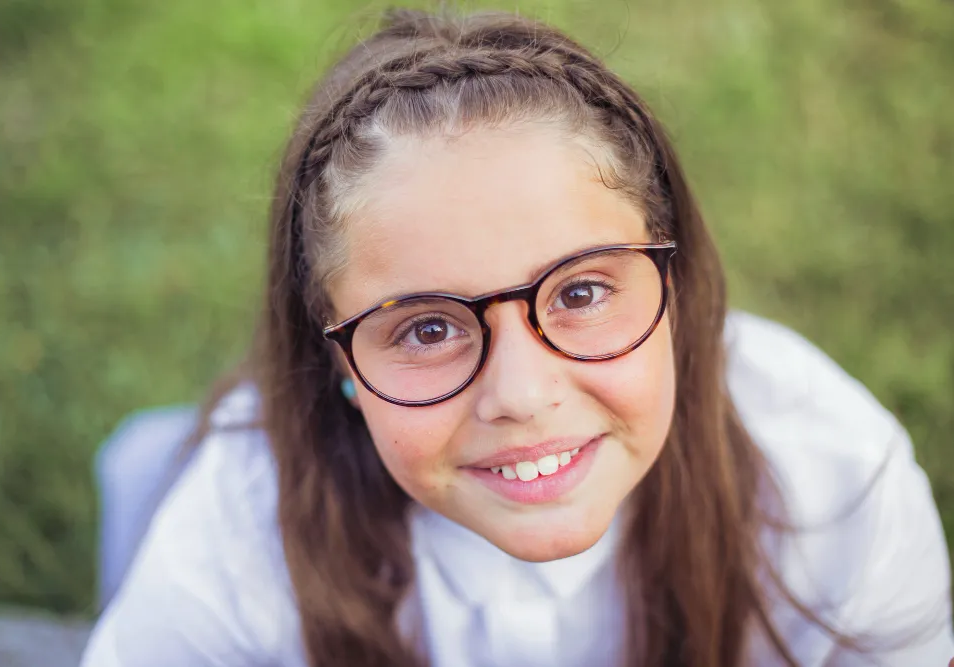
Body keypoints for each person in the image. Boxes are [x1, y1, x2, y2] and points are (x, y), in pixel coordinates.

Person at [80, 9, 953, 667]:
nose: (523, 395)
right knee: (151, 475)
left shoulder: (837, 483)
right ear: (337, 363)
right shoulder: (234, 536)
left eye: (580, 291)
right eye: (427, 327)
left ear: (677, 289)